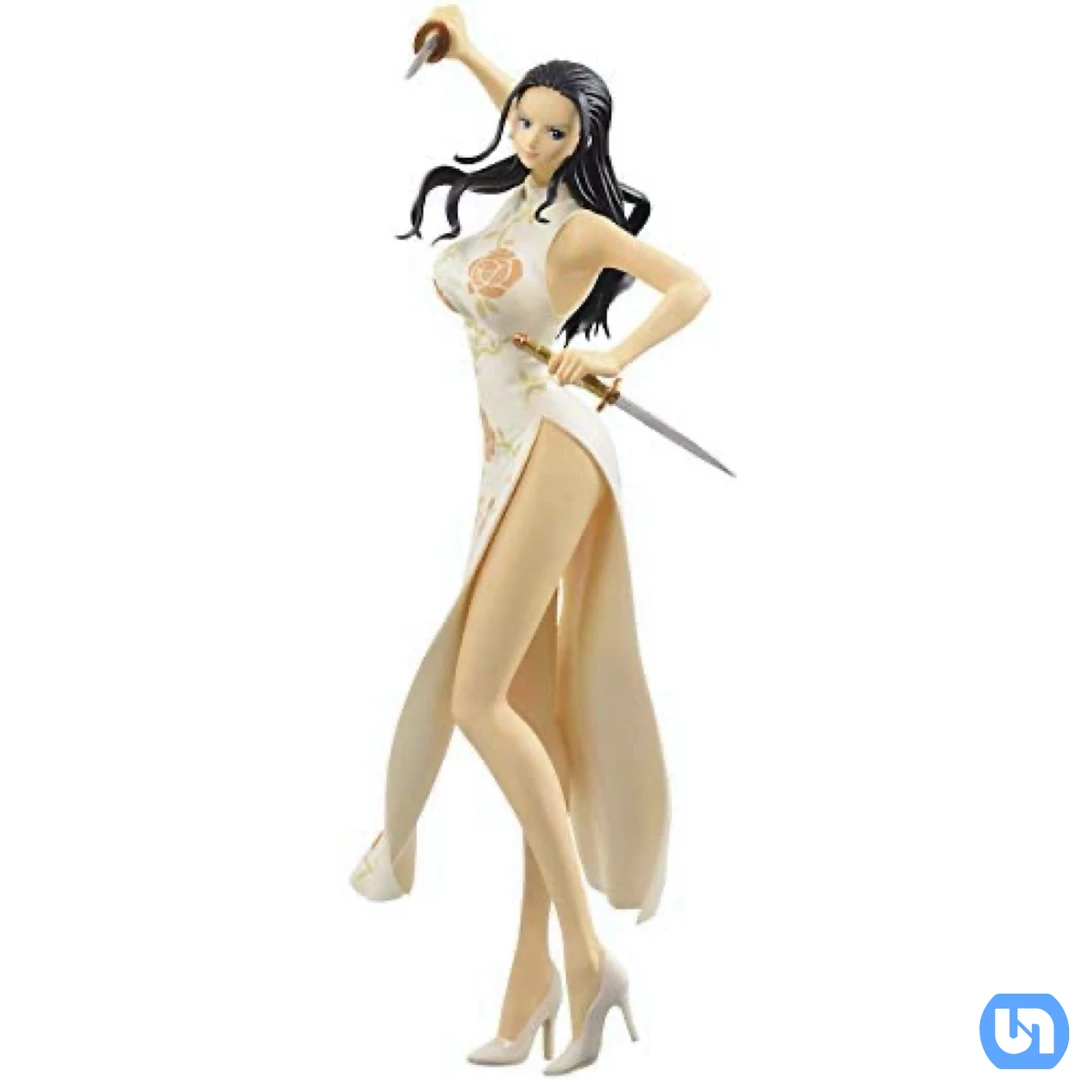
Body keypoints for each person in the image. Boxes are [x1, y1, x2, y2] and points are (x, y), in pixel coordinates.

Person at [350, 6, 711, 1072]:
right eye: (527, 124)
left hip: (558, 443)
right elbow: (523, 104)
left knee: (476, 700)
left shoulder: (582, 231)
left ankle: (588, 960)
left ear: (585, 140)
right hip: (504, 456)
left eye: (559, 132)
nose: (537, 140)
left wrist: (616, 357)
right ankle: (531, 978)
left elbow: (690, 285)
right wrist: (467, 53)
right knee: (530, 719)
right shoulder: (522, 196)